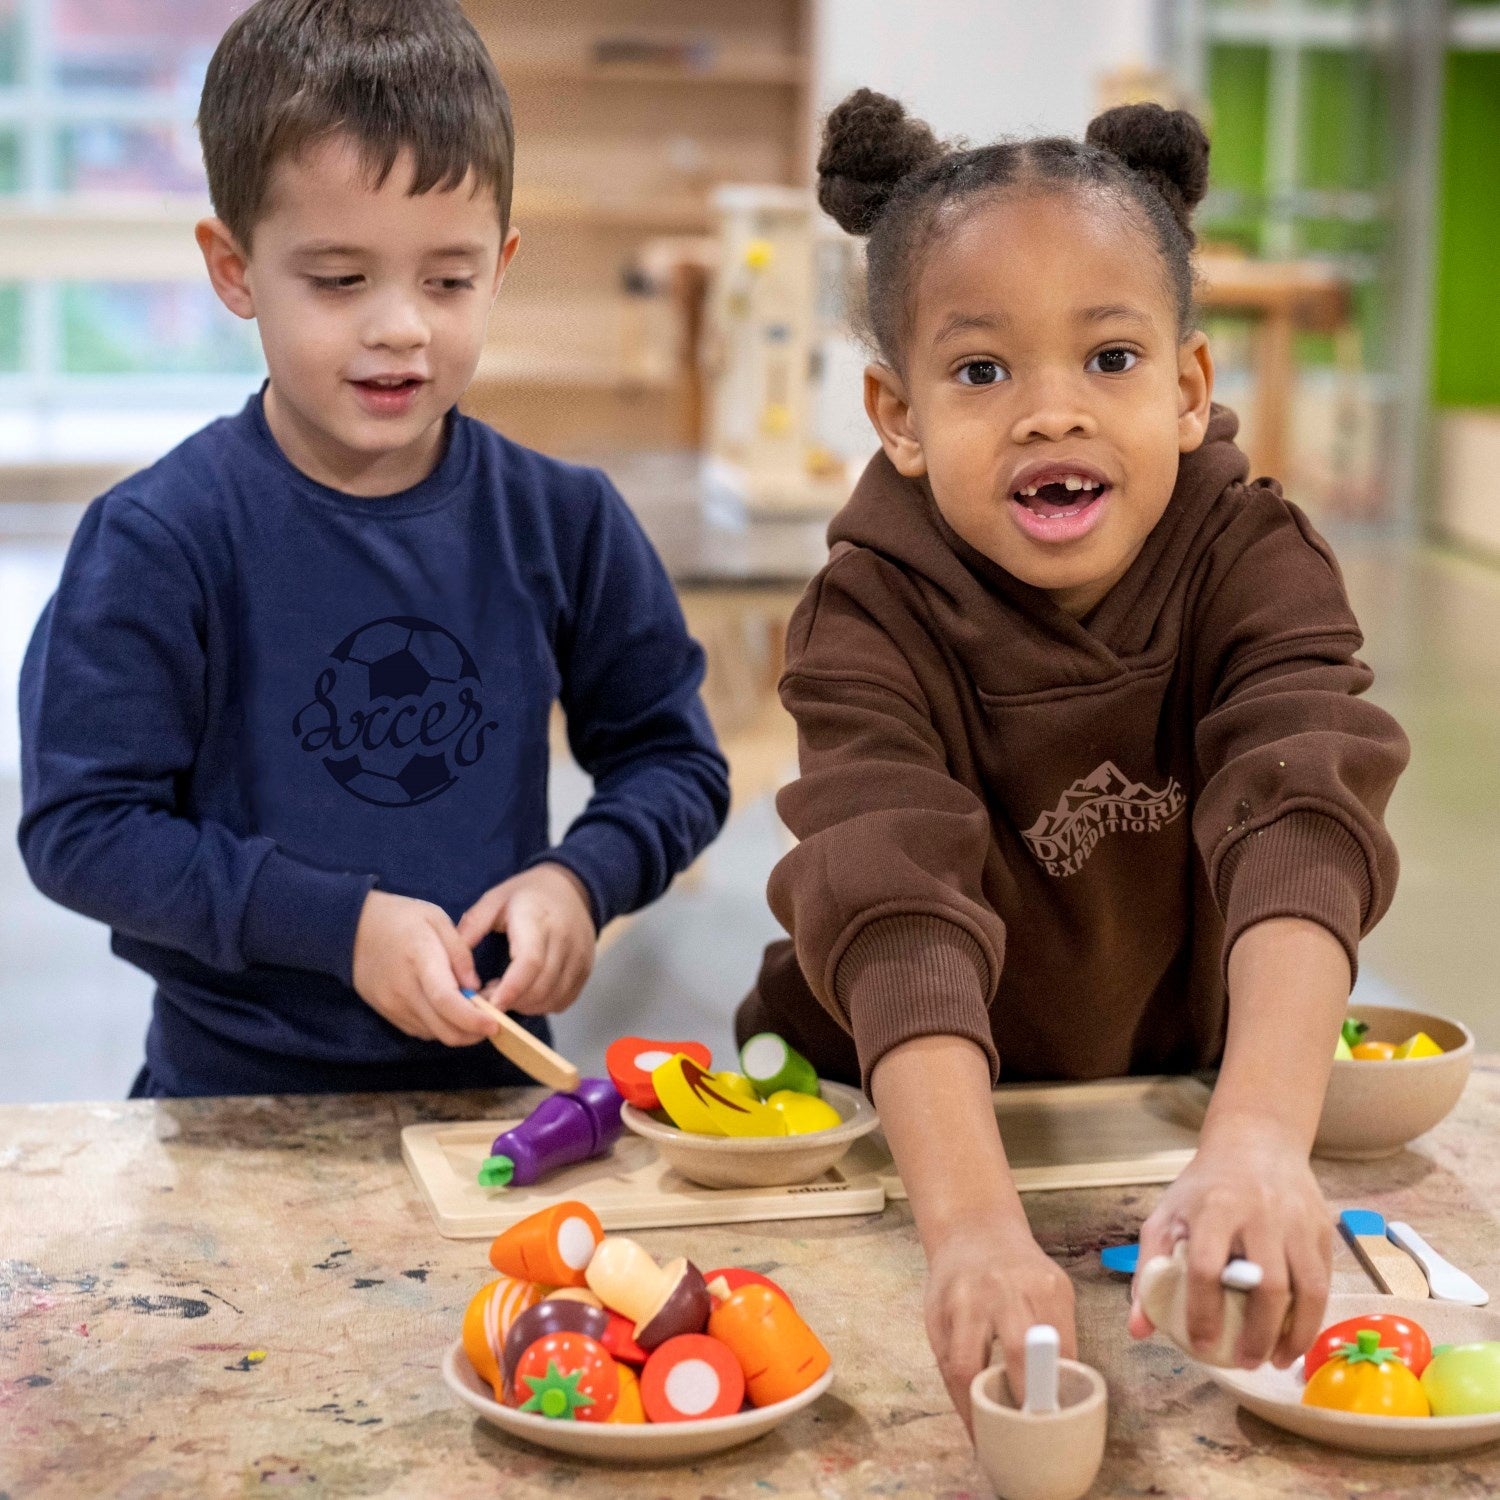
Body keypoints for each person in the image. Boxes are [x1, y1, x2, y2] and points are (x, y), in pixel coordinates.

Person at [737, 89, 1409, 1423]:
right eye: (982, 372)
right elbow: (892, 902)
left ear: (1186, 388)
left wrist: (1263, 1136)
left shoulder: (1251, 554)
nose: (1051, 413)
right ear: (899, 414)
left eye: (1108, 358)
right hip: (894, 1129)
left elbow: (1302, 803)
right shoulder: (865, 614)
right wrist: (975, 1231)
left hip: (1154, 1107)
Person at [18, 0, 728, 1098]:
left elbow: (673, 759)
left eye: (448, 280)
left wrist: (580, 882)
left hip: (492, 1102)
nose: (400, 325)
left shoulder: (566, 522)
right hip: (228, 1107)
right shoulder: (160, 541)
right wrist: (336, 927)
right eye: (341, 280)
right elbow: (82, 828)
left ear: (502, 263)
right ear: (234, 267)